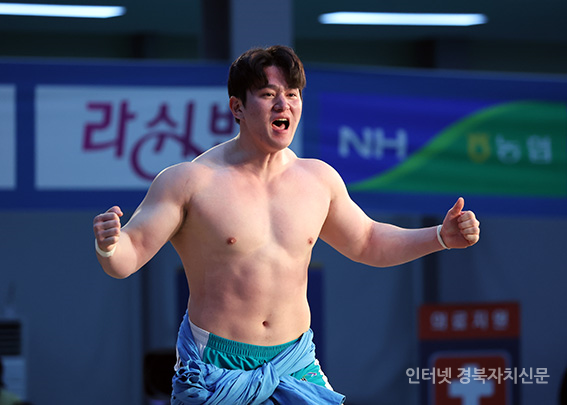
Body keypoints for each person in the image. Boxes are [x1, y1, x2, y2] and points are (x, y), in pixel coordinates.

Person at [93, 45, 480, 404]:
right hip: (216, 365)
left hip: (294, 361)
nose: (284, 104)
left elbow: (367, 241)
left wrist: (439, 237)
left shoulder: (318, 179)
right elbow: (130, 256)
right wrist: (110, 245)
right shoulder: (190, 181)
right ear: (237, 107)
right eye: (268, 94)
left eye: (292, 94)